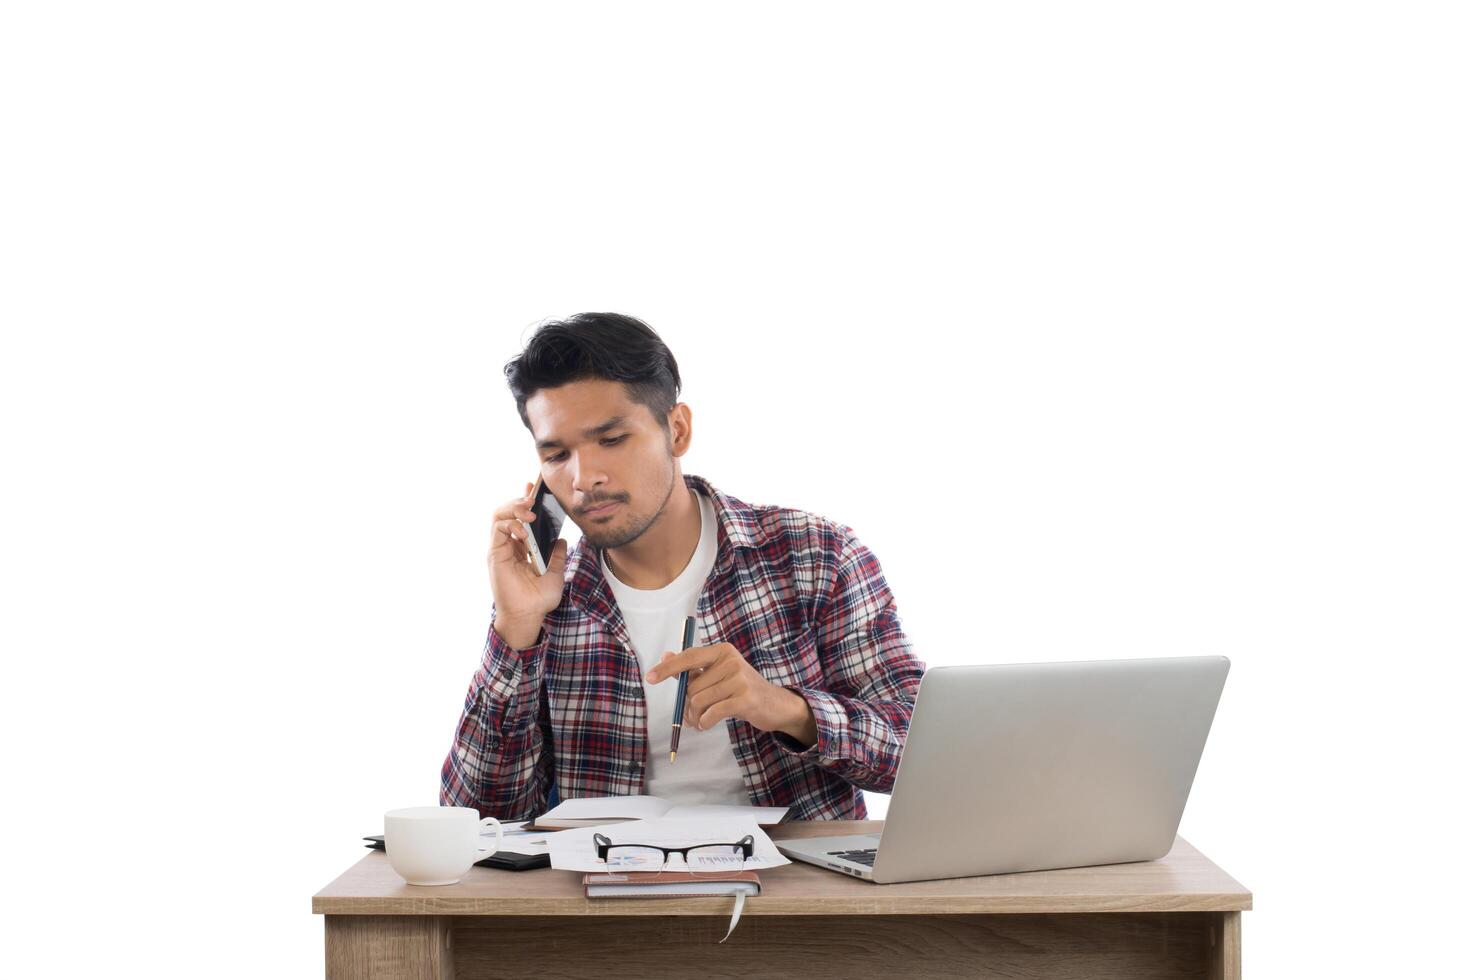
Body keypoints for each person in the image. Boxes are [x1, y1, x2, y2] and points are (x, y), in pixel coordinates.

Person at [439, 313, 925, 821]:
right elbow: (474, 818)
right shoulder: (548, 598)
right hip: (607, 892)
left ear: (677, 430)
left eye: (611, 439)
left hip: (794, 893)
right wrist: (515, 631)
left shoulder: (814, 555)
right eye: (558, 454)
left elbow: (920, 753)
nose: (584, 479)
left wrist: (783, 708)